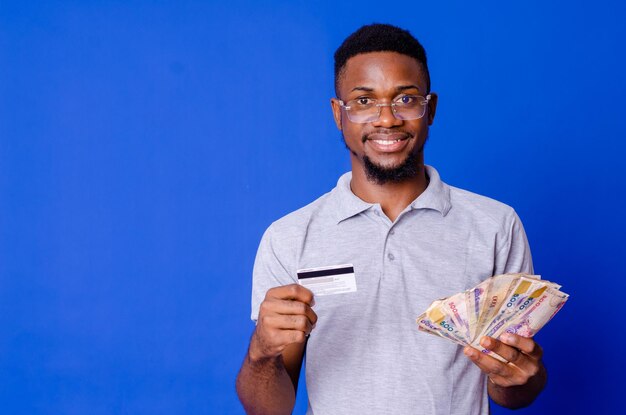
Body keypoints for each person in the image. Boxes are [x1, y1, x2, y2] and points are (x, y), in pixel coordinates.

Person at [236, 23, 547, 415]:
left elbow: (511, 391)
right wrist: (261, 352)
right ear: (338, 114)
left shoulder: (496, 226)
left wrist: (522, 377)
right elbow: (269, 409)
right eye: (364, 101)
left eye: (405, 99)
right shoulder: (289, 238)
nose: (387, 119)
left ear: (430, 109)